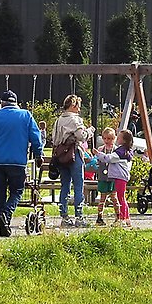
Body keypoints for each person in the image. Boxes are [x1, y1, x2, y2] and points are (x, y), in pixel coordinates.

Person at [0, 88, 44, 236]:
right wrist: (39, 155)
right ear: (16, 103)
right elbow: (35, 137)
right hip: (17, 161)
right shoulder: (26, 115)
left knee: (0, 191)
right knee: (17, 191)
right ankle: (6, 215)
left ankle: (3, 221)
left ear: (2, 102)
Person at [53, 94, 92, 227]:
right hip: (74, 153)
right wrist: (90, 131)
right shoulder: (75, 120)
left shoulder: (59, 120)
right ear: (73, 106)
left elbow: (55, 138)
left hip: (61, 156)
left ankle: (64, 216)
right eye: (78, 107)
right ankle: (79, 216)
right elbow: (82, 136)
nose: (79, 110)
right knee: (78, 185)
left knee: (65, 185)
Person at [97, 129, 134, 229]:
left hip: (119, 177)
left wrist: (98, 154)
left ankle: (122, 218)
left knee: (121, 198)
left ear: (124, 140)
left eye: (119, 137)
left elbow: (108, 158)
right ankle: (126, 218)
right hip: (122, 177)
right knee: (121, 198)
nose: (117, 138)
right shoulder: (126, 151)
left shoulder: (119, 152)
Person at [93, 127, 118, 225]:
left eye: (110, 139)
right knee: (102, 197)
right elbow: (97, 161)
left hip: (113, 177)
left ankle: (118, 216)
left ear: (114, 138)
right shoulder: (100, 149)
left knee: (114, 197)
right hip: (103, 177)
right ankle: (99, 217)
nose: (107, 141)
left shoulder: (116, 150)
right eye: (105, 138)